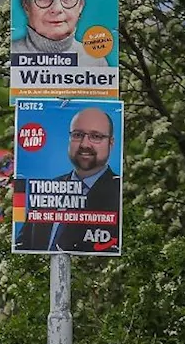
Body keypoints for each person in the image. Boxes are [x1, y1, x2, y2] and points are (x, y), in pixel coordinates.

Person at [16, 106, 121, 253]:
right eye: (78, 135)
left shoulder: (120, 191)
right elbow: (23, 246)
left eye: (96, 136)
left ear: (111, 143)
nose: (85, 144)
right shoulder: (47, 189)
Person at [12, 0, 108, 66]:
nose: (57, 9)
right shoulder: (10, 58)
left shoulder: (95, 61)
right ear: (26, 5)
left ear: (81, 5)